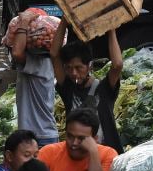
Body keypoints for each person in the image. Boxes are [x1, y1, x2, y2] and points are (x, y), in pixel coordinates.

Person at [51, 20, 124, 152]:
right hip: (77, 153)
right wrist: (64, 20)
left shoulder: (104, 88)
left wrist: (111, 29)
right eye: (69, 68)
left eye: (79, 68)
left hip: (106, 152)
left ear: (89, 65)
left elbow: (117, 65)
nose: (73, 73)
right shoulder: (68, 88)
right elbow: (54, 55)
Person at [8, 9, 59, 147]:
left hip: (41, 137)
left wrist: (24, 23)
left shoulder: (40, 63)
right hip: (37, 135)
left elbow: (17, 52)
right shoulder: (41, 60)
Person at [38, 108, 117, 171]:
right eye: (70, 136)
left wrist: (93, 152)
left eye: (81, 138)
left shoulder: (108, 154)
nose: (74, 143)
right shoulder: (48, 152)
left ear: (94, 139)